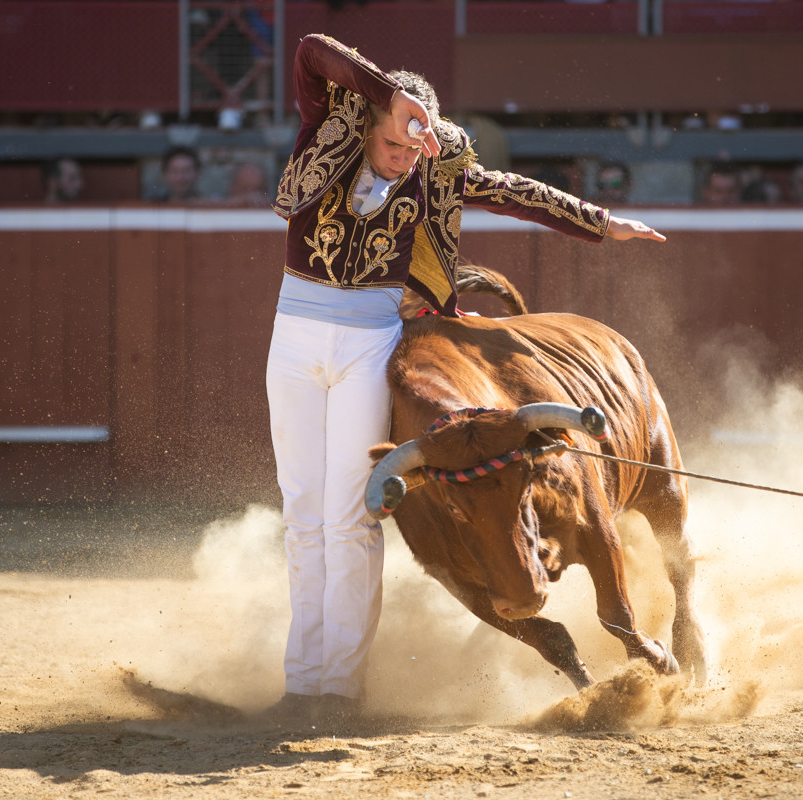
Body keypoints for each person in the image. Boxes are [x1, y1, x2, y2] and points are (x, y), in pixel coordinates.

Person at [263, 32, 665, 727]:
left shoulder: (436, 165)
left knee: (349, 518)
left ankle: (338, 688)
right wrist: (388, 94)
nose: (403, 152)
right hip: (293, 333)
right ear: (375, 119)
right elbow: (311, 48)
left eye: (417, 142)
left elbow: (517, 194)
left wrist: (600, 223)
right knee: (303, 516)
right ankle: (303, 682)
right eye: (395, 136)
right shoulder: (331, 126)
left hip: (372, 339)